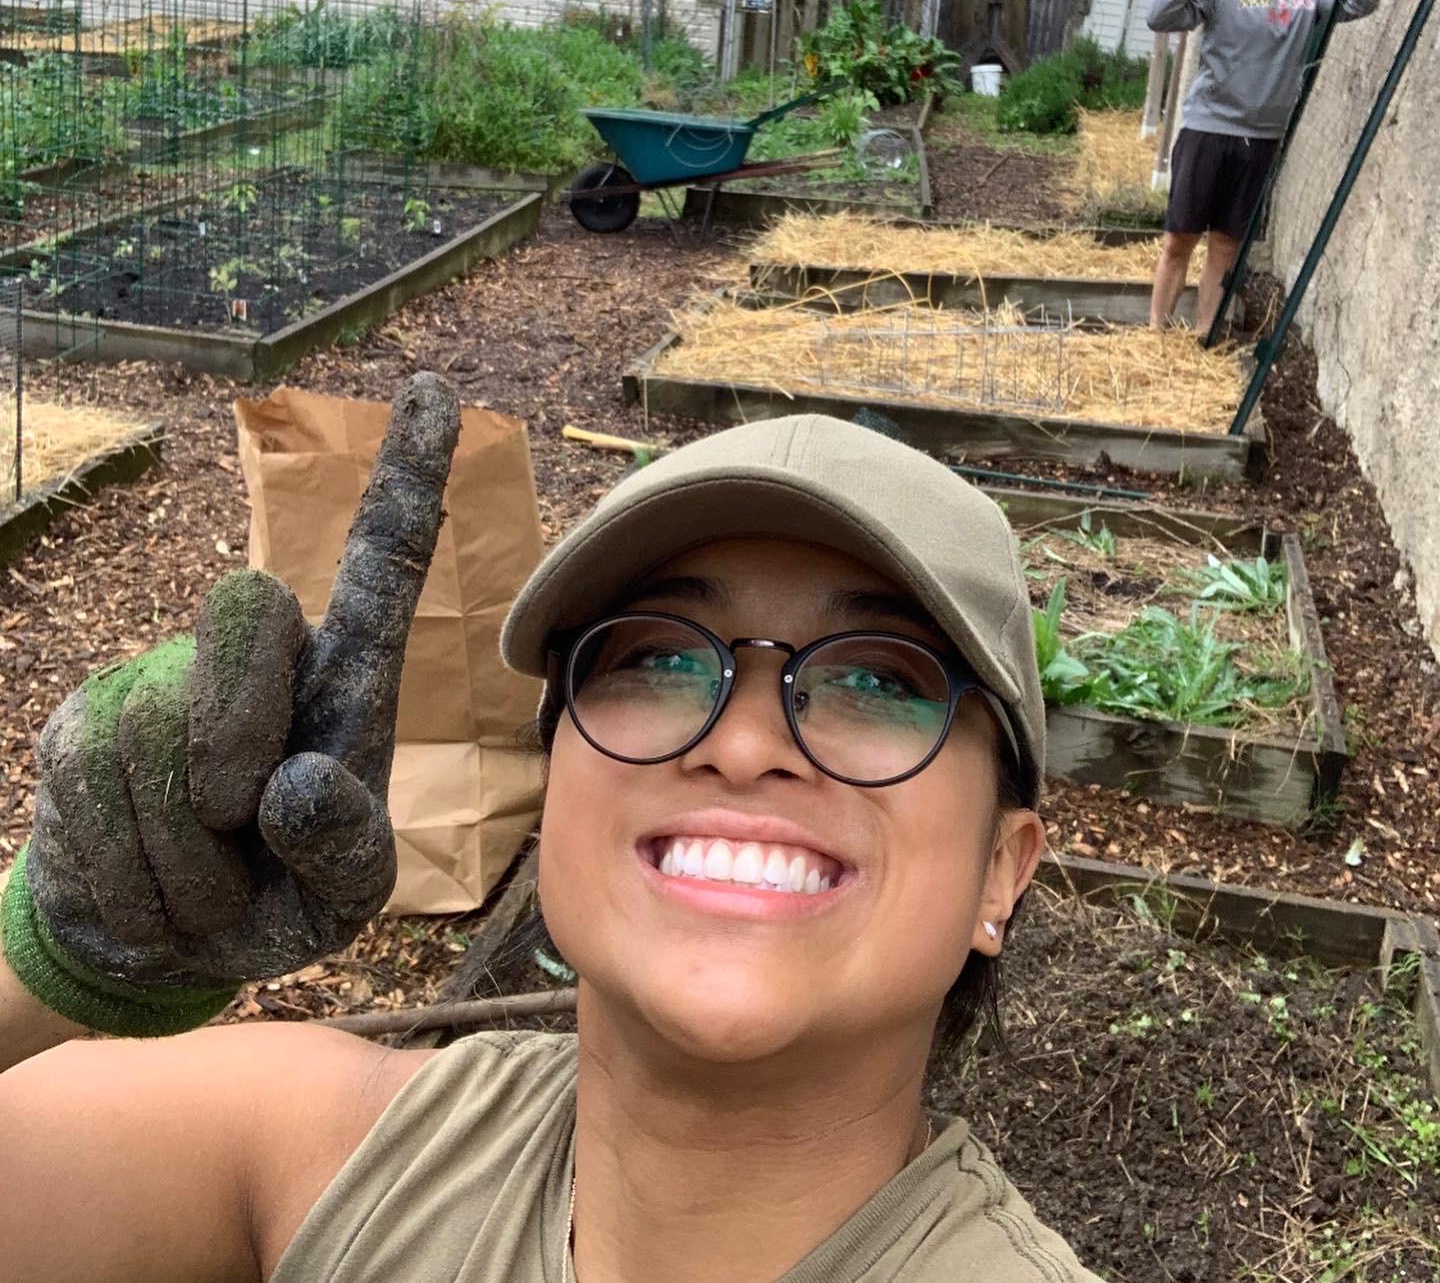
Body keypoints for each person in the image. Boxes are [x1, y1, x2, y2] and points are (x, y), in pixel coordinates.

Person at [0, 377, 1104, 1282]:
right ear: (557, 786)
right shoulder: (324, 1160)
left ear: (999, 874)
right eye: (659, 658)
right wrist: (60, 962)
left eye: (877, 678)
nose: (746, 740)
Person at [1146, 0, 1397, 332]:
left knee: (1226, 245)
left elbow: (1360, 2)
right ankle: (1156, 334)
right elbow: (1162, 16)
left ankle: (1206, 334)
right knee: (1179, 239)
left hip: (1262, 138)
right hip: (1209, 128)